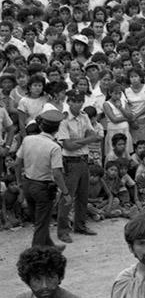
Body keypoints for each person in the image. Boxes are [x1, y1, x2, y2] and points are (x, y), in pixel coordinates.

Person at [14, 108, 71, 248]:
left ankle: (49, 245)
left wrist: (20, 183)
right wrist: (65, 192)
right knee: (42, 222)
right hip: (43, 187)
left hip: (28, 183)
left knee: (39, 221)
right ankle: (37, 254)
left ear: (40, 126)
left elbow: (16, 163)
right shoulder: (54, 147)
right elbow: (57, 173)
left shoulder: (28, 139)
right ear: (57, 129)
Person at [57, 90, 102, 240]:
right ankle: (63, 231)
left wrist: (81, 141)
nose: (78, 103)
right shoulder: (64, 119)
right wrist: (86, 140)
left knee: (83, 195)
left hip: (83, 159)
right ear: (69, 101)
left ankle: (80, 225)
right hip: (71, 161)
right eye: (75, 101)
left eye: (80, 100)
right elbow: (68, 146)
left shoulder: (84, 116)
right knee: (68, 197)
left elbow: (93, 135)